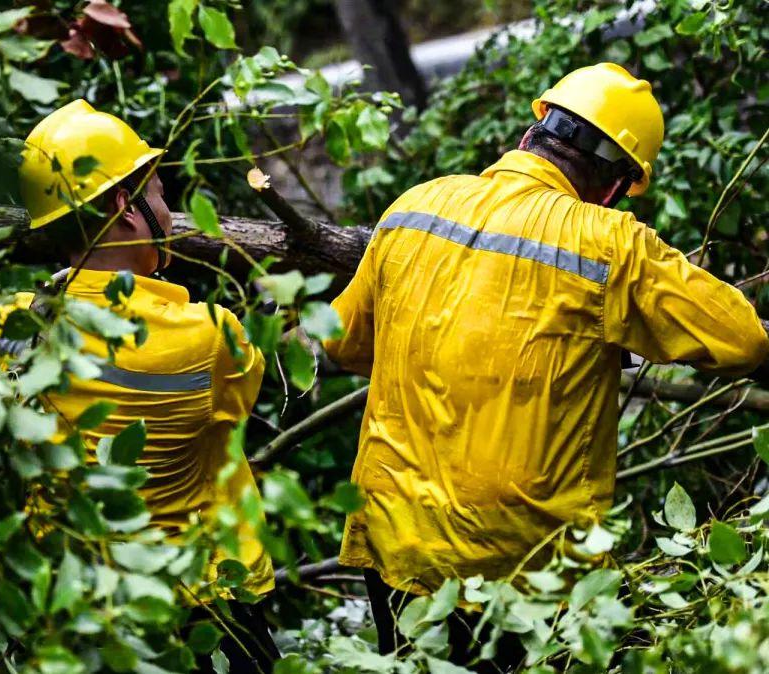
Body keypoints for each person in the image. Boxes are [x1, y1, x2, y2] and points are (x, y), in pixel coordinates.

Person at [322, 63, 769, 671]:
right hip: (521, 572)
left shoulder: (414, 208)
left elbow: (342, 342)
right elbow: (742, 339)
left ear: (535, 131)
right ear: (616, 181)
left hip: (393, 542)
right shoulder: (610, 244)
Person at [0, 100, 279, 673]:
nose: (170, 209)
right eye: (162, 194)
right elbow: (239, 402)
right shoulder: (211, 334)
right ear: (126, 206)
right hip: (208, 610)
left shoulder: (12, 325)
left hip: (80, 613)